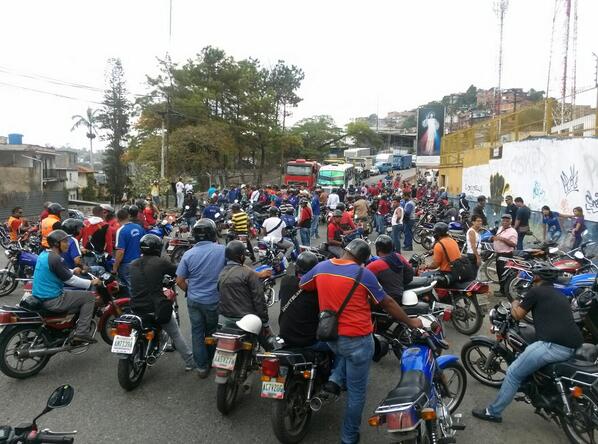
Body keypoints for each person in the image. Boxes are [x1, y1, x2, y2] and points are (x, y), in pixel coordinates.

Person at [299, 239, 422, 444]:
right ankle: (349, 438)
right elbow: (387, 302)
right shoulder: (363, 274)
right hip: (357, 340)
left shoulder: (321, 267)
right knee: (356, 393)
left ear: (345, 251)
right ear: (363, 260)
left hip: (330, 336)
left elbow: (303, 284)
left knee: (343, 353)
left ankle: (335, 381)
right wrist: (410, 321)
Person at [472, 266, 583, 423]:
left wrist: (515, 302)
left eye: (534, 275)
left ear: (537, 277)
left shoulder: (535, 292)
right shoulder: (559, 295)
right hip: (574, 345)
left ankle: (493, 412)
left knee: (513, 373)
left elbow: (517, 315)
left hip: (553, 346)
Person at [130, 234, 196, 371]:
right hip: (155, 307)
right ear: (157, 248)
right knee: (175, 333)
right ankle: (190, 361)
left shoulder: (132, 264)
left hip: (135, 307)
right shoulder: (160, 262)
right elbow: (178, 271)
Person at [176, 219, 226, 377]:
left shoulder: (188, 254)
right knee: (211, 331)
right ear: (212, 233)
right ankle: (211, 359)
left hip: (194, 300)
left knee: (197, 332)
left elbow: (179, 281)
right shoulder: (222, 250)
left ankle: (202, 368)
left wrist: (190, 291)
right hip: (213, 300)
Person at [32, 229, 101, 344]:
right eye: (64, 241)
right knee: (89, 297)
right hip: (53, 299)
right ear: (56, 244)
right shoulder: (56, 258)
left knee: (74, 294)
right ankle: (82, 333)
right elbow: (71, 280)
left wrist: (73, 270)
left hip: (41, 296)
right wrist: (90, 283)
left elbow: (56, 270)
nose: (68, 244)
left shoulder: (45, 254)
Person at [218, 240, 273, 346]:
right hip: (246, 319)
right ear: (241, 257)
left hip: (225, 319)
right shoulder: (248, 274)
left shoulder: (221, 274)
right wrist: (265, 323)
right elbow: (259, 300)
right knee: (271, 344)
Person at [278, 251, 321, 348]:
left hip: (284, 337)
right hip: (307, 341)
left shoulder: (286, 281)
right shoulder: (317, 289)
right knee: (340, 349)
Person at [366, 235, 413, 302]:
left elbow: (362, 280)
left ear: (377, 249)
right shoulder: (398, 256)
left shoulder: (374, 265)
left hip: (386, 300)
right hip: (400, 294)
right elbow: (410, 272)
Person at [111, 208, 143, 291]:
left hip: (127, 264)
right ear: (128, 216)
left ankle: (134, 303)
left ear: (117, 218)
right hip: (140, 262)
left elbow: (120, 251)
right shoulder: (139, 227)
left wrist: (115, 267)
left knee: (131, 289)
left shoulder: (121, 231)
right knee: (138, 286)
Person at [492, 214, 518, 296]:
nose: (505, 222)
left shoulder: (513, 232)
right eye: (503, 220)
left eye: (507, 221)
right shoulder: (500, 228)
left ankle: (504, 292)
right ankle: (501, 289)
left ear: (510, 222)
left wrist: (502, 239)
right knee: (499, 273)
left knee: (504, 274)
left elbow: (513, 244)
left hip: (506, 256)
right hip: (499, 254)